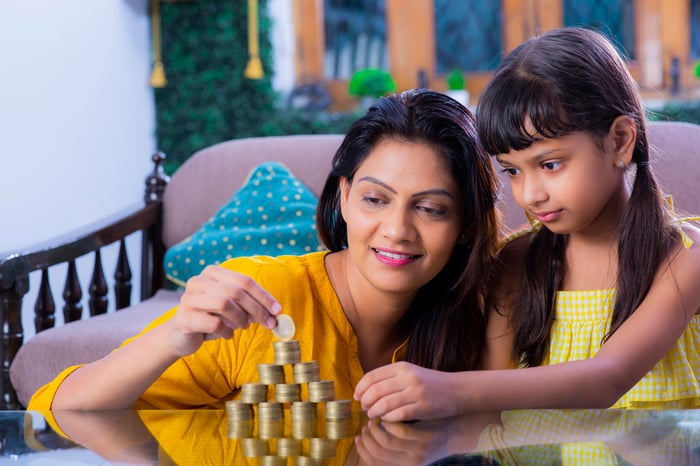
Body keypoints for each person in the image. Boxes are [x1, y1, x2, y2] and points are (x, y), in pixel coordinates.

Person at [29, 88, 500, 411]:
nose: (397, 230)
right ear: (343, 196)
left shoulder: (478, 312)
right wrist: (175, 334)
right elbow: (61, 407)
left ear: (464, 224)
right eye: (375, 199)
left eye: (431, 209)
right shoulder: (260, 297)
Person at [354, 27, 700, 421]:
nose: (530, 194)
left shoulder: (684, 257)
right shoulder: (515, 262)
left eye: (550, 164)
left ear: (620, 141)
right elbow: (494, 416)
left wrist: (448, 388)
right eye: (513, 172)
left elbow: (608, 379)